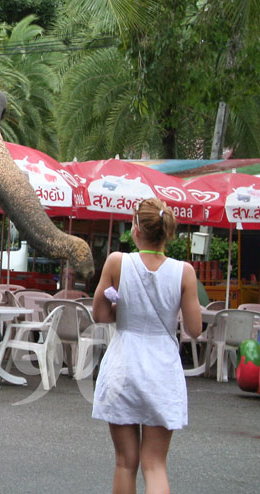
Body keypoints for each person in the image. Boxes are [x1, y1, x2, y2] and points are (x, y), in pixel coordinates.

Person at [91, 198, 203, 494]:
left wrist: (119, 305)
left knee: (125, 462)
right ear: (167, 233)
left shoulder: (117, 261)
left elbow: (100, 315)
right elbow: (194, 329)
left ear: (136, 230)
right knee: (154, 463)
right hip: (162, 367)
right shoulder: (184, 272)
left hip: (123, 364)